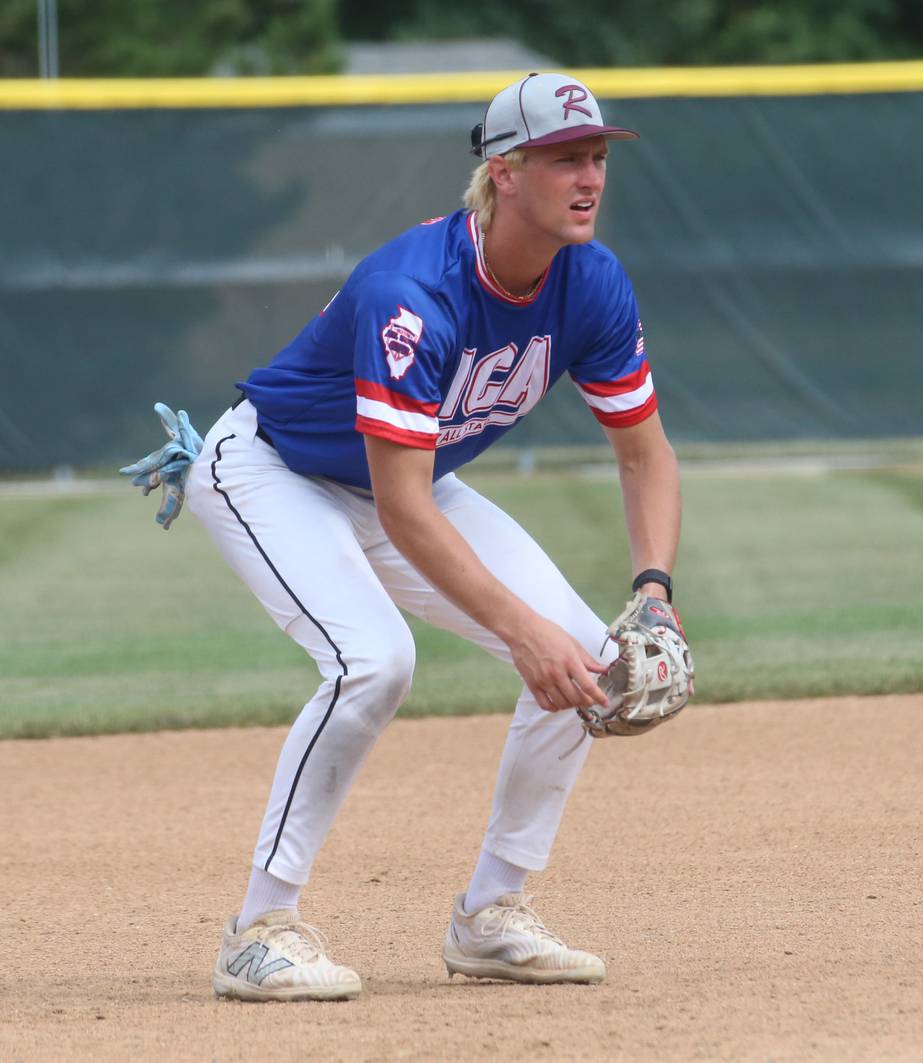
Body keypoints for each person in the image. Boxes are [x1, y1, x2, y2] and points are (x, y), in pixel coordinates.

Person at [136, 72, 684, 1001]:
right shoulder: (414, 293)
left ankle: (492, 914)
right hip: (271, 468)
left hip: (402, 484)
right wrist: (521, 633)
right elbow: (403, 508)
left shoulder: (591, 281)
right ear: (504, 172)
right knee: (374, 661)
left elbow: (645, 454)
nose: (590, 177)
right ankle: (258, 930)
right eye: (563, 158)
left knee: (587, 659)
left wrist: (654, 593)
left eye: (597, 156)